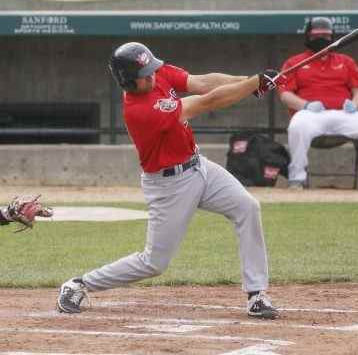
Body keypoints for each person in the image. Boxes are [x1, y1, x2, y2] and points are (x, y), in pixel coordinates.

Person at [56, 42, 280, 319]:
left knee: (247, 207)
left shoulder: (156, 73)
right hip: (169, 185)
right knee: (154, 262)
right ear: (127, 79)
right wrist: (253, 84)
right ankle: (79, 284)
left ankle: (256, 294)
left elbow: (202, 83)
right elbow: (207, 101)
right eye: (144, 73)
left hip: (200, 166)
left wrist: (250, 81)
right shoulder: (139, 110)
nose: (152, 75)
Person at [278, 17, 358, 191]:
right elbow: (285, 94)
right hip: (311, 114)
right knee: (297, 126)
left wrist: (354, 105)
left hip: (343, 113)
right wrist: (305, 105)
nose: (321, 40)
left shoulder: (345, 61)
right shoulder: (295, 62)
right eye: (316, 36)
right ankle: (296, 178)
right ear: (307, 37)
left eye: (325, 36)